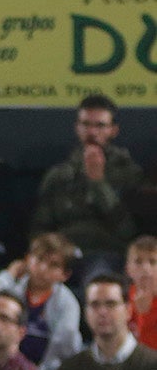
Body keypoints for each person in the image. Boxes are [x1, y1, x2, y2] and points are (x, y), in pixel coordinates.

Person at [31, 94, 142, 274]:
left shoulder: (130, 174)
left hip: (107, 254)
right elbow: (40, 227)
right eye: (86, 124)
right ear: (77, 128)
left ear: (113, 130)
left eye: (100, 125)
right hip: (60, 256)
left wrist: (97, 182)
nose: (92, 132)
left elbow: (128, 231)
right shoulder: (58, 175)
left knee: (97, 278)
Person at [45, 273, 157, 370]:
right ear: (86, 313)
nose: (102, 312)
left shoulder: (152, 366)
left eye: (111, 304)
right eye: (95, 305)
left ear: (128, 311)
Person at [0, 232, 82, 370]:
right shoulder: (12, 286)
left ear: (65, 275)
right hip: (1, 365)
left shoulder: (67, 303)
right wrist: (8, 275)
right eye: (39, 260)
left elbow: (63, 347)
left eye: (53, 265)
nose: (43, 269)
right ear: (27, 259)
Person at [128, 233, 157, 352]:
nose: (145, 268)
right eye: (138, 262)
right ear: (128, 268)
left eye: (152, 262)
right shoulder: (123, 297)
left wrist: (145, 314)